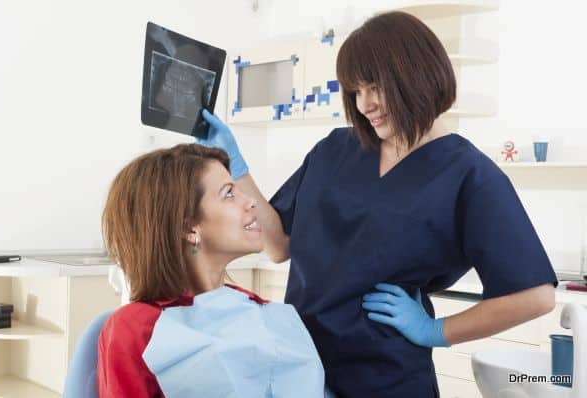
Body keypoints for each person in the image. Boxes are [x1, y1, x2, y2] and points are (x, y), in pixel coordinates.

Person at [198, 11, 558, 397]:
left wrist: (436, 331)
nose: (365, 103)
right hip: (302, 369)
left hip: (387, 379)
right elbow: (279, 244)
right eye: (355, 91)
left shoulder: (469, 175)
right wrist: (234, 163)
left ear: (416, 76)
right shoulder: (335, 149)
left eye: (375, 87)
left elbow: (534, 296)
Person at [97, 144, 327, 397]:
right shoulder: (135, 328)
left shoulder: (253, 305)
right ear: (189, 229)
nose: (250, 202)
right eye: (229, 194)